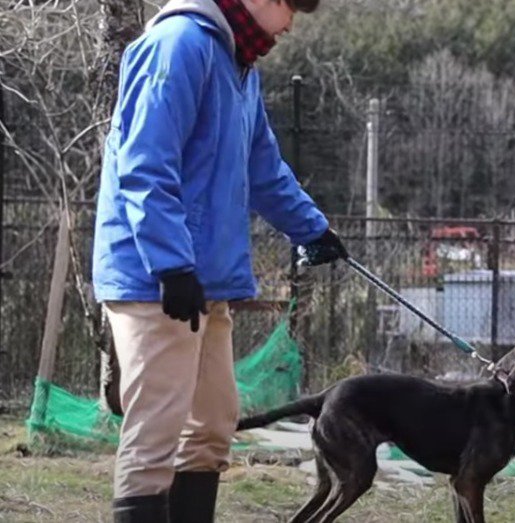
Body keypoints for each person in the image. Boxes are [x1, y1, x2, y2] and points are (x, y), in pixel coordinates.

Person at [92, 0, 347, 521]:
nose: (291, 24)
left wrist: (313, 228)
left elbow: (263, 167)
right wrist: (170, 264)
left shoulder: (238, 65)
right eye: (291, 7)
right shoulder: (179, 45)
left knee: (210, 427)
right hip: (155, 282)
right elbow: (144, 163)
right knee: (155, 439)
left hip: (206, 281)